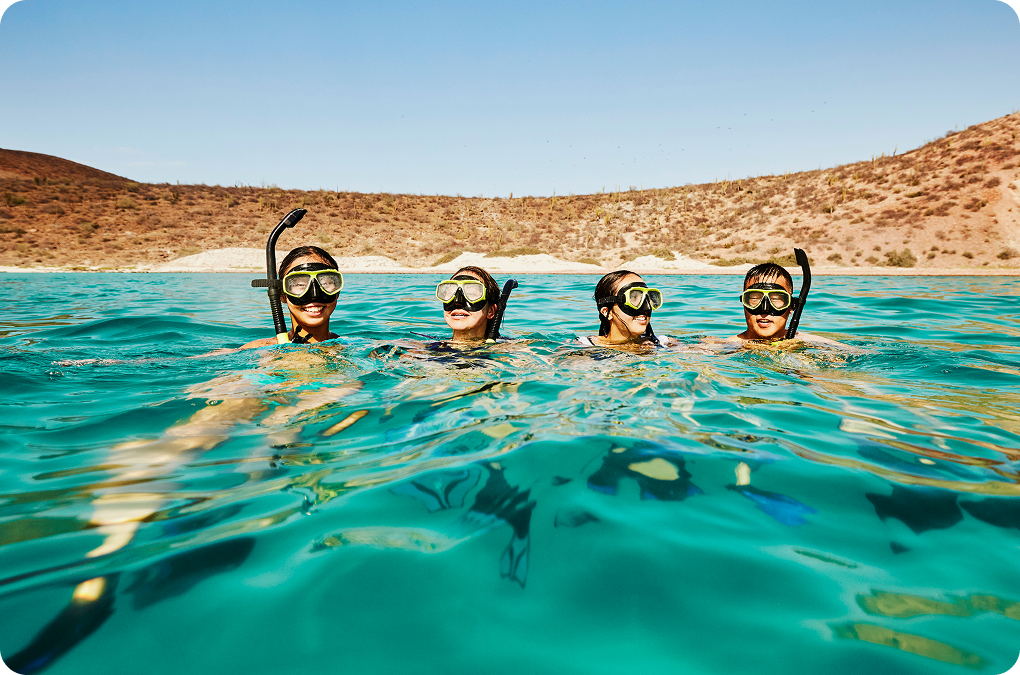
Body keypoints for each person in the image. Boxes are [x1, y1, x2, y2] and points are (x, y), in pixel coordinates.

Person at [241, 245, 342, 349]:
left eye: (325, 283)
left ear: (337, 291)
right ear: (282, 295)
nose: (314, 295)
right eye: (300, 285)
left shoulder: (350, 347)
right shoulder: (258, 349)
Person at [726, 262, 843, 347]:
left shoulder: (812, 344)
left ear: (792, 306)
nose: (765, 309)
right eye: (755, 299)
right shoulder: (726, 347)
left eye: (776, 299)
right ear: (744, 304)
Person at [578, 270, 665, 346]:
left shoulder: (664, 343)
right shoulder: (585, 346)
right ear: (606, 312)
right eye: (633, 298)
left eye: (648, 298)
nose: (646, 308)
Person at [436, 266, 501, 341]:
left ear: (491, 311)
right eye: (451, 294)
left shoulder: (510, 349)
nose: (457, 302)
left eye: (471, 294)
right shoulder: (424, 348)